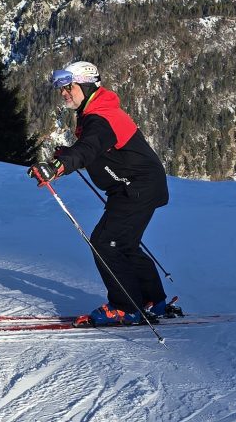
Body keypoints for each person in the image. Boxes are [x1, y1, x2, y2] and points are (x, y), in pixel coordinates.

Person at [30, 60, 176, 326]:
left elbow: (90, 147)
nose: (64, 93)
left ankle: (125, 306)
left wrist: (59, 166)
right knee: (124, 244)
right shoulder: (97, 112)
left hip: (137, 187)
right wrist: (66, 157)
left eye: (69, 86)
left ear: (85, 86)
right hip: (136, 187)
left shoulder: (101, 117)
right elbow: (96, 150)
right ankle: (152, 299)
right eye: (61, 88)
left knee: (105, 243)